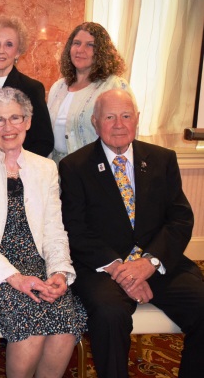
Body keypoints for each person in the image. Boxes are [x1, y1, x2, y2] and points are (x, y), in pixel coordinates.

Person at [59, 89, 204, 378]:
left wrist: (149, 263)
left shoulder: (162, 159)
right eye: (109, 117)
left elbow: (180, 219)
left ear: (137, 119)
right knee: (110, 316)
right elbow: (74, 228)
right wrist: (121, 270)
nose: (119, 124)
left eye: (126, 116)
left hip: (157, 261)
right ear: (95, 122)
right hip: (103, 268)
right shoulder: (75, 167)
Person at [0, 87, 86, 378]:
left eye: (15, 118)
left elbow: (54, 229)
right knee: (30, 321)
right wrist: (14, 278)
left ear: (28, 121)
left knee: (65, 323)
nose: (8, 127)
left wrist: (58, 272)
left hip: (37, 264)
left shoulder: (46, 168)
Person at [47, 22, 134, 163]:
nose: (80, 50)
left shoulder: (114, 86)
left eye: (90, 45)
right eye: (76, 43)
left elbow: (128, 132)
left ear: (101, 52)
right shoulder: (58, 87)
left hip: (95, 169)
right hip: (57, 169)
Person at [0, 15, 54, 157]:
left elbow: (44, 141)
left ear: (18, 52)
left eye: (9, 44)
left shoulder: (32, 89)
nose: (0, 50)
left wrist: (15, 165)